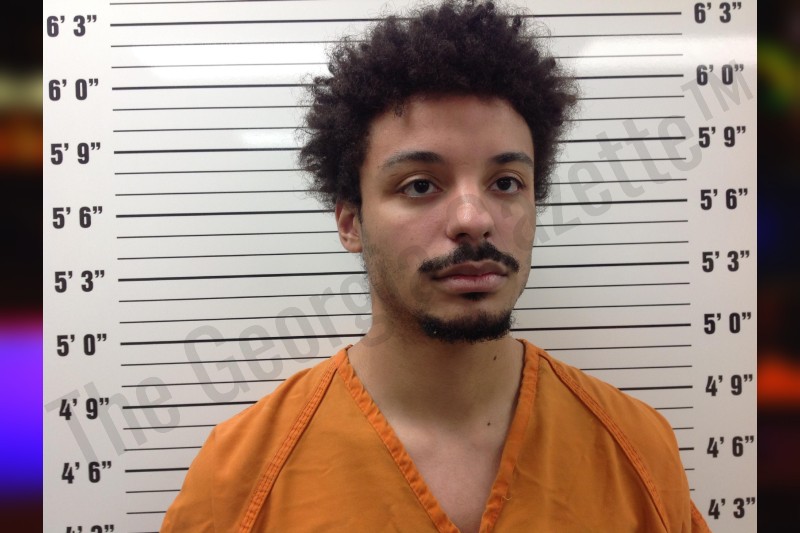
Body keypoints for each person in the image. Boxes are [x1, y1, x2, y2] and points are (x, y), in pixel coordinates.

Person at [161, 1, 711, 531]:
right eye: (420, 185)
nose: (474, 219)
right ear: (350, 222)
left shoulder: (639, 450)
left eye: (506, 183)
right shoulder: (239, 478)